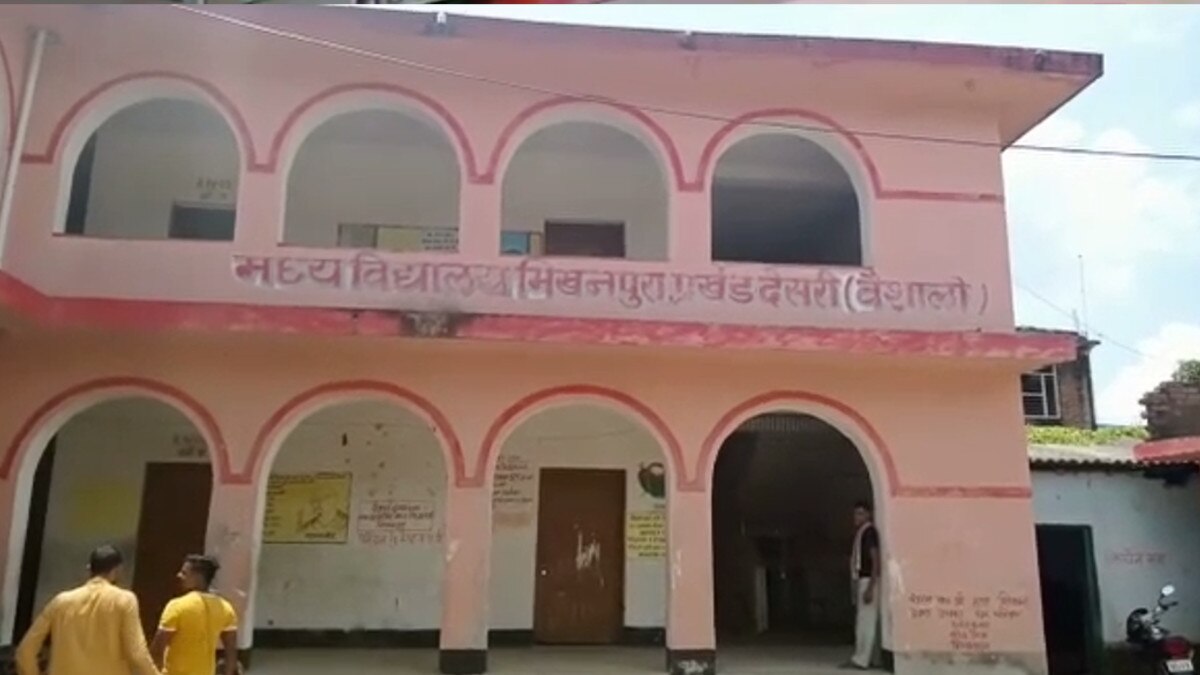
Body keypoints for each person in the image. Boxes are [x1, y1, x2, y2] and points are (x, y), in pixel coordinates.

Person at [15, 544, 160, 675]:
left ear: (89, 569)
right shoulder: (124, 600)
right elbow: (137, 653)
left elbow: (25, 650)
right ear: (117, 570)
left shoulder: (61, 601)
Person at [150, 555, 239, 675]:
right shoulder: (226, 608)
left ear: (198, 577)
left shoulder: (177, 606)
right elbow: (231, 653)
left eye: (184, 573)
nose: (179, 575)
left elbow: (157, 649)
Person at [842, 500, 881, 671]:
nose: (856, 517)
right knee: (863, 620)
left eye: (860, 513)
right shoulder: (862, 533)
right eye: (855, 513)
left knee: (866, 621)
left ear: (868, 514)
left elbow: (875, 559)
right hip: (862, 579)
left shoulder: (869, 532)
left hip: (868, 579)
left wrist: (871, 586)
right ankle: (867, 656)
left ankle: (861, 659)